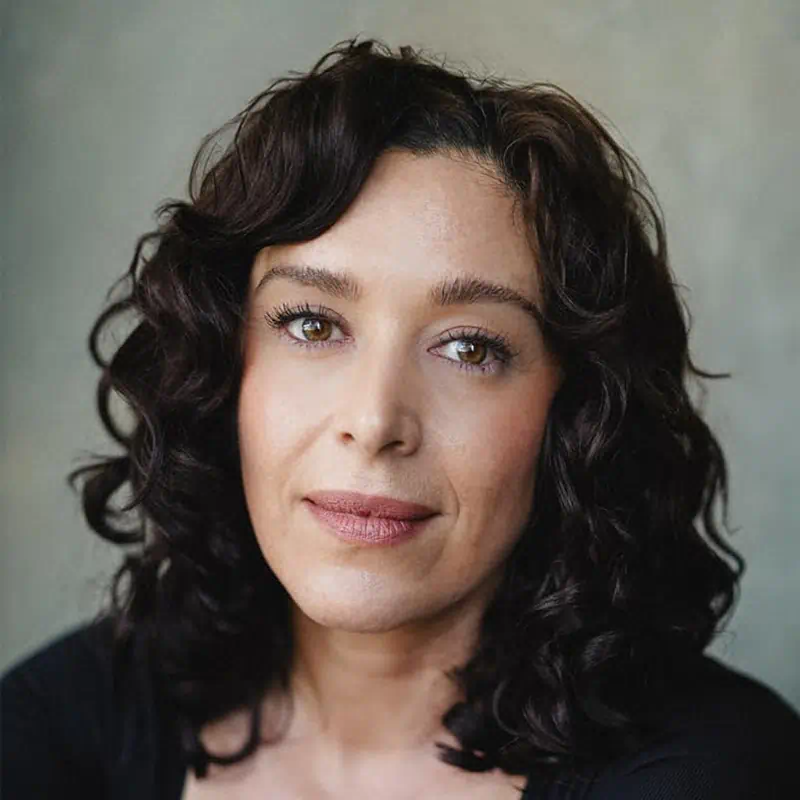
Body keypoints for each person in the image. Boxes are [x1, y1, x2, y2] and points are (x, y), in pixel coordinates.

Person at [2, 36, 799, 800]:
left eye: (470, 348)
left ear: (575, 412)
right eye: (312, 324)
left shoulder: (712, 772)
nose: (376, 419)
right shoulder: (50, 729)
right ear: (222, 369)